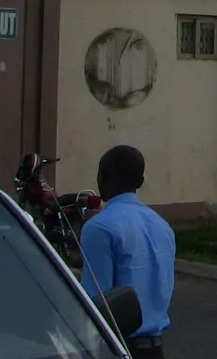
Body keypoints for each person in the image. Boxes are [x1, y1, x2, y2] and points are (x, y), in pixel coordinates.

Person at [80, 146, 176, 359]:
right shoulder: (163, 226)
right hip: (156, 349)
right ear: (140, 183)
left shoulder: (99, 228)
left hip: (118, 348)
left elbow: (97, 305)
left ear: (101, 176)